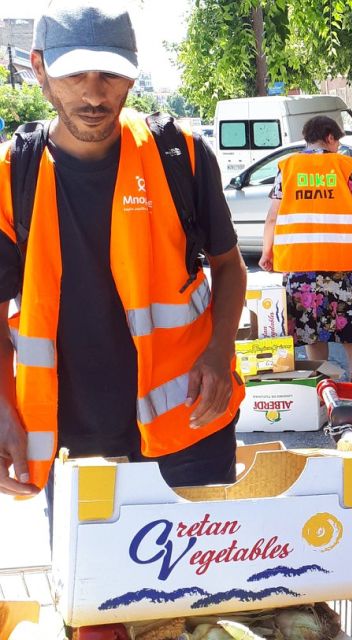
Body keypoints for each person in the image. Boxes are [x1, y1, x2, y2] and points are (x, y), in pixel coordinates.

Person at [0, 0, 247, 499]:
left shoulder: (182, 154)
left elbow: (230, 268)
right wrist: (4, 410)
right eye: (74, 74)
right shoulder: (11, 176)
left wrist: (220, 353)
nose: (94, 93)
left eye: (111, 73)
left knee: (207, 575)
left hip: (190, 425)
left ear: (132, 76)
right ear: (40, 69)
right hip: (68, 440)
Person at [259, 116, 352, 382]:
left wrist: (267, 251)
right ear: (329, 137)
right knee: (348, 314)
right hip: (344, 260)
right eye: (337, 141)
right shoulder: (345, 166)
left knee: (310, 321)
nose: (338, 147)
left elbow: (272, 216)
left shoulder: (288, 167)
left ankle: (323, 378)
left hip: (299, 262)